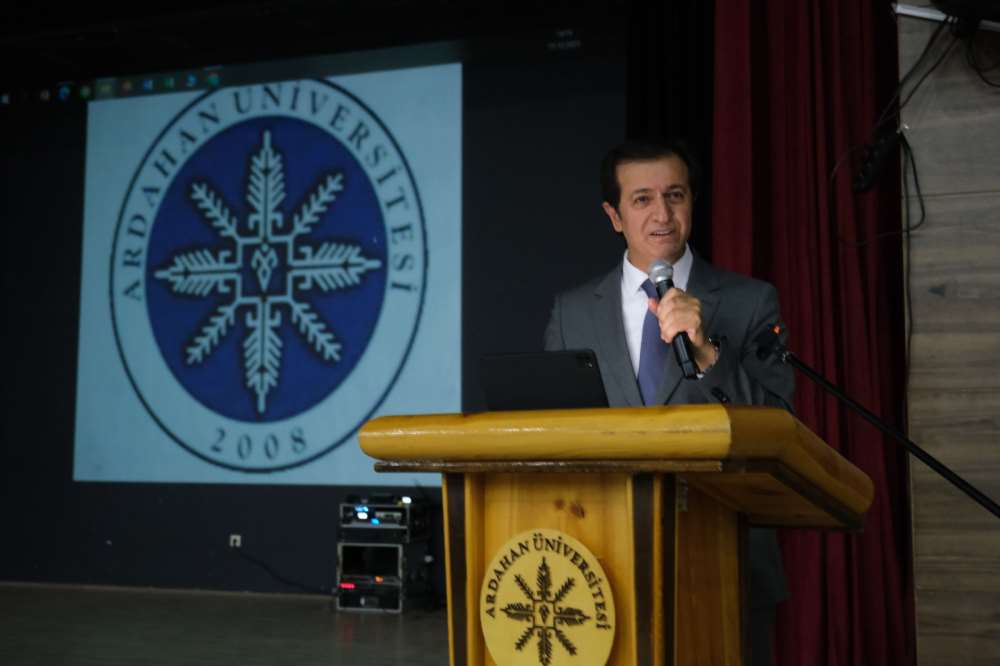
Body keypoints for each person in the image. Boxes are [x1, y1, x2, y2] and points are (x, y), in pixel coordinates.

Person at [544, 138, 792, 665]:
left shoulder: (750, 302)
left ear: (691, 202)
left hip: (726, 560)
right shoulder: (572, 313)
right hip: (602, 569)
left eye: (675, 195)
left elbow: (780, 426)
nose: (662, 214)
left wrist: (707, 356)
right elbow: (553, 437)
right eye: (642, 199)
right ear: (614, 216)